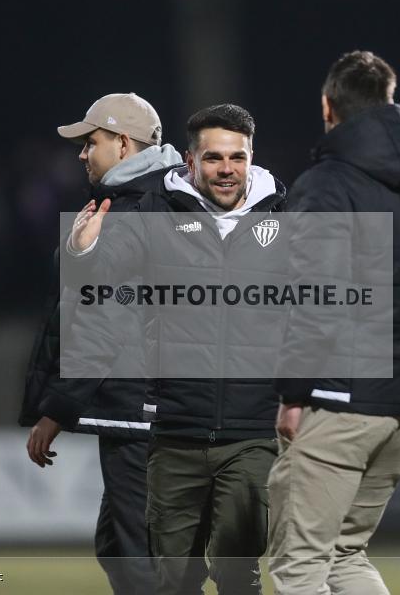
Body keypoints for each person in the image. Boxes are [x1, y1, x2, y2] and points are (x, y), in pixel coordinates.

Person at [65, 104, 286, 595]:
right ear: (190, 161)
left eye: (237, 157)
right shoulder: (154, 212)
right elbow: (107, 285)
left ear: (252, 158)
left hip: (250, 433)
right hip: (175, 433)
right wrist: (82, 253)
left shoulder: (284, 218)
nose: (226, 168)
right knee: (172, 579)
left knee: (238, 574)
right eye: (213, 158)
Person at [267, 51, 400, 594]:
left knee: (300, 562)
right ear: (388, 103)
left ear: (329, 107)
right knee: (345, 558)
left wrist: (292, 395)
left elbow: (310, 300)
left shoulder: (325, 185)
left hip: (339, 406)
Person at [20, 93, 182, 595]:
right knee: (118, 544)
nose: (83, 154)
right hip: (145, 404)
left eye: (91, 142)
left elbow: (102, 319)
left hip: (139, 407)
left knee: (138, 556)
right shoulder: (148, 200)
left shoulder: (136, 209)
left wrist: (57, 410)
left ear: (123, 143)